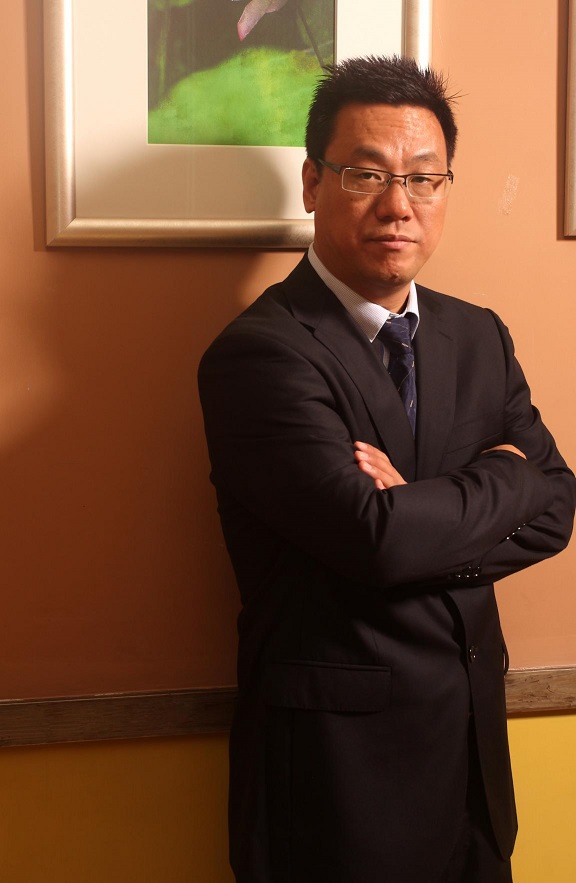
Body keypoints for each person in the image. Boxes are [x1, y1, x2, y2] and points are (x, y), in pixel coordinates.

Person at [198, 56, 575, 883]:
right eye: (367, 173)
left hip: (473, 763)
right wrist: (507, 478)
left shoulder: (477, 335)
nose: (399, 204)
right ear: (312, 182)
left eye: (424, 178)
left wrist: (424, 513)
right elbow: (376, 541)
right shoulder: (260, 355)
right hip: (336, 780)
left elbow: (558, 508)